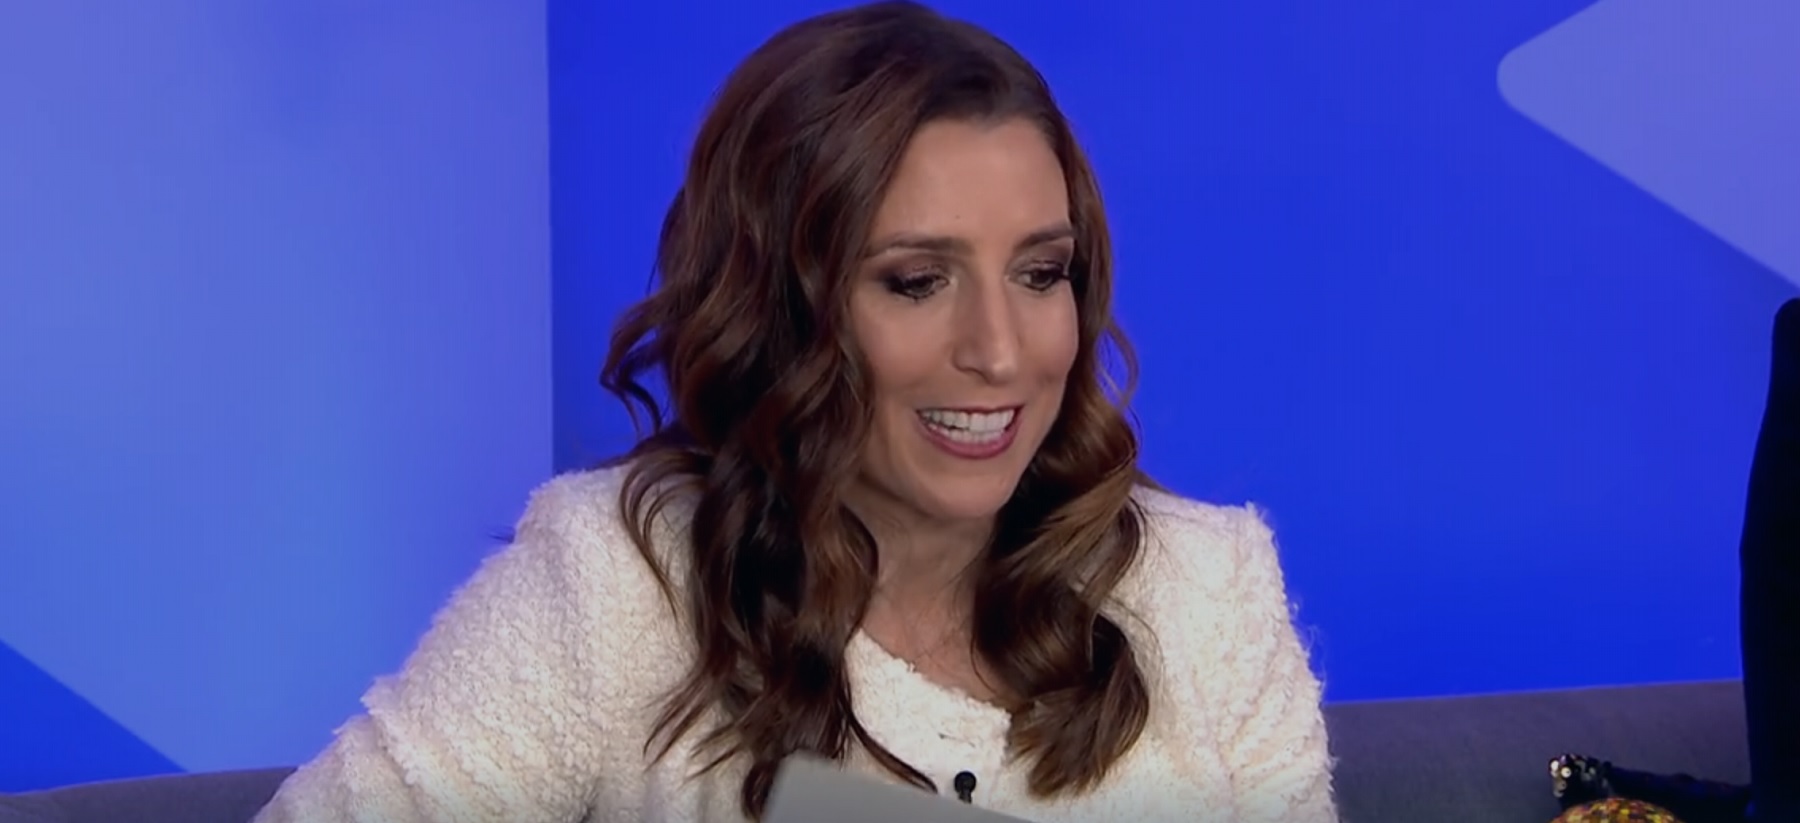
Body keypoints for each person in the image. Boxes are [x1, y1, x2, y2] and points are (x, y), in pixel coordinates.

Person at [252, 2, 1337, 821]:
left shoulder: (1207, 590)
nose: (1000, 351)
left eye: (1040, 273)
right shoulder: (621, 586)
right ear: (778, 307)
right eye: (917, 281)